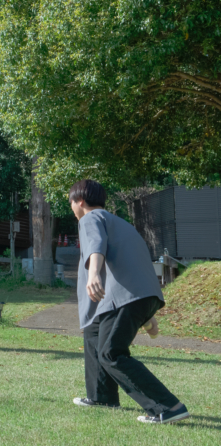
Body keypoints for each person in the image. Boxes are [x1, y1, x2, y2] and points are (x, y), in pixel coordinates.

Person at [70, 179, 189, 425]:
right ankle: (102, 396)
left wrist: (92, 274)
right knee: (93, 333)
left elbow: (96, 246)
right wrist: (147, 316)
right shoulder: (120, 223)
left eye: (71, 203)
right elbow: (133, 266)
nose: (72, 208)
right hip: (137, 296)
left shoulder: (90, 219)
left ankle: (168, 406)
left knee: (111, 352)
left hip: (123, 299)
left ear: (79, 201)